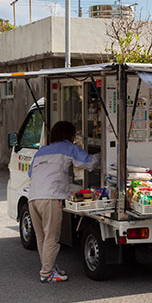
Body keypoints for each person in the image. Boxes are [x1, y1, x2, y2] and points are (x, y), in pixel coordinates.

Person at [28, 121, 100, 282]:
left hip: (33, 198)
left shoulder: (42, 151)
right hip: (50, 197)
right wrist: (104, 154)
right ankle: (47, 273)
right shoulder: (69, 148)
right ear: (70, 135)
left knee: (42, 237)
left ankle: (49, 267)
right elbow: (88, 163)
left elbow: (30, 172)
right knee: (52, 237)